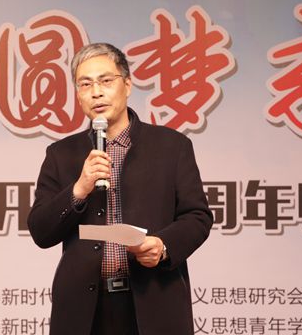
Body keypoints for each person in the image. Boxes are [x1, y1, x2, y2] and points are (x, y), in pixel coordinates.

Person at [27, 43, 213, 335]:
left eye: (105, 81)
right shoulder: (61, 154)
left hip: (153, 303)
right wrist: (78, 189)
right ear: (78, 94)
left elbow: (197, 216)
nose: (96, 92)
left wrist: (163, 246)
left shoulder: (171, 146)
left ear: (127, 85)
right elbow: (40, 230)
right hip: (85, 311)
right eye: (85, 84)